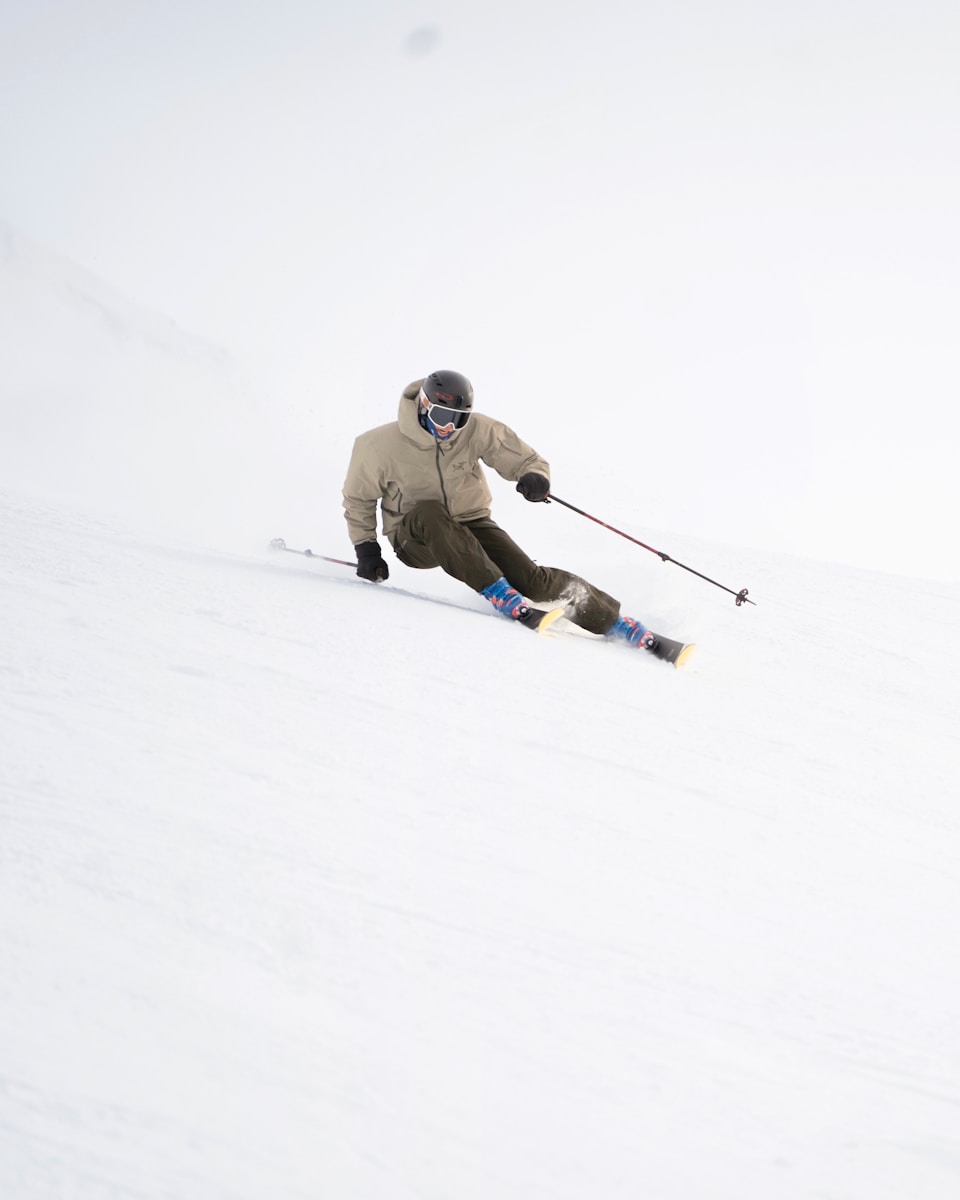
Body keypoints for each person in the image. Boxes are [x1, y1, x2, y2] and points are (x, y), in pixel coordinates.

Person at [341, 370, 680, 658]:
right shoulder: (377, 445)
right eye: (443, 418)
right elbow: (358, 499)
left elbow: (524, 459)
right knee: (430, 512)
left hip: (470, 523)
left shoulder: (476, 430)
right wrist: (366, 548)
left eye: (458, 420)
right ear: (424, 405)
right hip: (414, 536)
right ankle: (500, 594)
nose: (449, 428)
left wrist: (534, 477)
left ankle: (618, 623)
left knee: (532, 579)